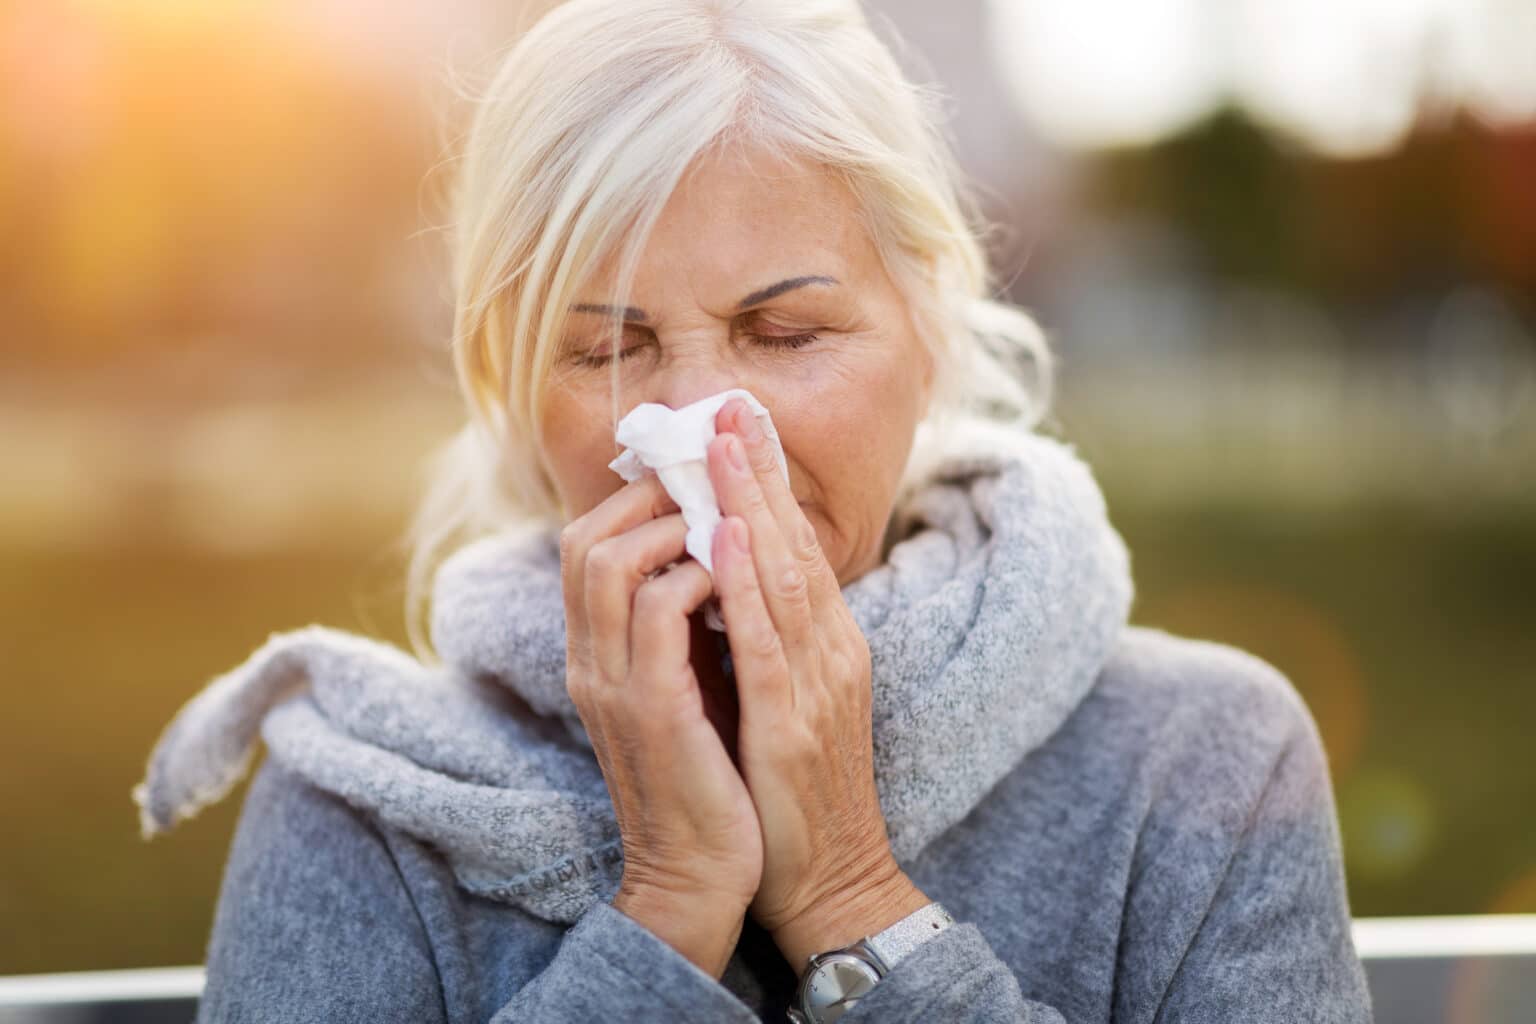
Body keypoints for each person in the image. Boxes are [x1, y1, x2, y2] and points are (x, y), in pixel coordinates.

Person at [133, 1, 1374, 1020]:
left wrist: (848, 890)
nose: (701, 429)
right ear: (512, 389)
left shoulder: (1207, 763)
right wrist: (668, 906)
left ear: (929, 334)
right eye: (606, 350)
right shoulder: (362, 798)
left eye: (784, 331)